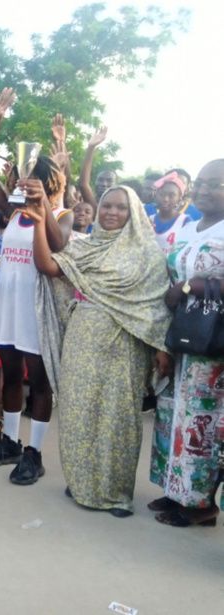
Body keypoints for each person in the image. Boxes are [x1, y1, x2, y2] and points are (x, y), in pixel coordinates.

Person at [31, 185, 172, 517]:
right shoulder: (87, 247)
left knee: (117, 417)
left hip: (124, 346)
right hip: (82, 340)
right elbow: (49, 268)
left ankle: (115, 493)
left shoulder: (148, 254)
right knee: (78, 411)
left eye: (121, 207)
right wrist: (39, 222)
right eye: (106, 206)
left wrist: (160, 347)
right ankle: (82, 482)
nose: (111, 212)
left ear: (134, 212)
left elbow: (155, 306)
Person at [0, 90, 73, 484]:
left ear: (49, 181)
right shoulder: (10, 210)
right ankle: (11, 443)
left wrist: (43, 206)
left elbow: (59, 246)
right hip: (8, 305)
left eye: (31, 177)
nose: (21, 182)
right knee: (10, 375)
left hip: (39, 309)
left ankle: (35, 453)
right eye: (19, 176)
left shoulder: (62, 214)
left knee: (39, 382)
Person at [149, 158, 224, 527]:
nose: (205, 190)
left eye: (216, 184)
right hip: (181, 334)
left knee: (202, 420)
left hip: (213, 343)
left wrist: (193, 286)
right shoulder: (190, 227)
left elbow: (190, 281)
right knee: (172, 411)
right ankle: (175, 490)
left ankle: (201, 505)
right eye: (203, 183)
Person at [148, 171, 190, 254]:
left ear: (179, 198)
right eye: (162, 194)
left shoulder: (185, 222)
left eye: (172, 195)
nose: (165, 199)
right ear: (156, 195)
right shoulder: (149, 220)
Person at [78, 124, 116, 208]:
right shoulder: (96, 209)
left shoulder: (127, 209)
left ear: (116, 185)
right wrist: (91, 147)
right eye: (100, 180)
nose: (104, 184)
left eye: (109, 181)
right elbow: (83, 185)